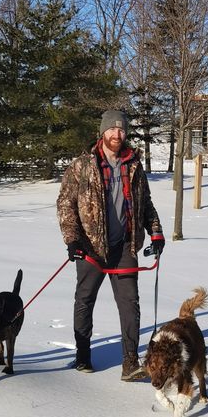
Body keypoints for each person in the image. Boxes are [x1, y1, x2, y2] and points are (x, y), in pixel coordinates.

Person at [57, 109, 165, 381]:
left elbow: (145, 204)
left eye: (121, 130)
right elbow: (66, 205)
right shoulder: (82, 166)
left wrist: (156, 232)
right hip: (91, 248)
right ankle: (83, 356)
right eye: (112, 130)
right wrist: (72, 240)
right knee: (85, 300)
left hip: (124, 247)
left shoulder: (134, 165)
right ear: (102, 132)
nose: (117, 135)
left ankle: (130, 362)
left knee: (130, 303)